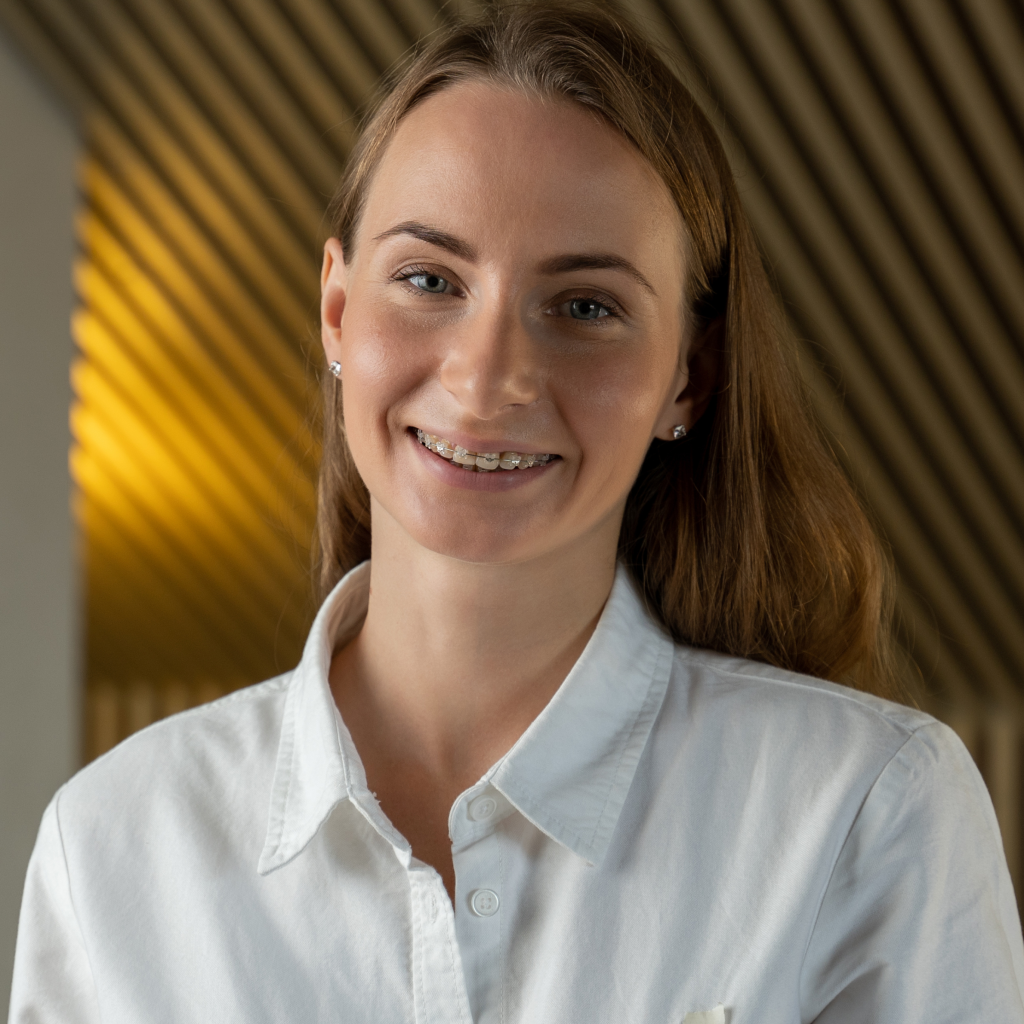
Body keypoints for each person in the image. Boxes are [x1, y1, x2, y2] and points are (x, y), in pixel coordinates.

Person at [9, 3, 1023, 1022]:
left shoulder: (866, 816)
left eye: (584, 306)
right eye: (428, 279)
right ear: (337, 311)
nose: (487, 377)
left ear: (688, 377)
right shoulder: (111, 848)